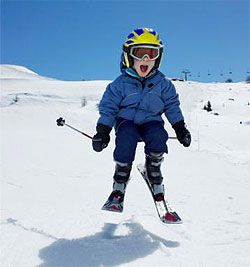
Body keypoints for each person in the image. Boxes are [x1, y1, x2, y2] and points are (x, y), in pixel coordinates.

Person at [92, 27, 191, 213]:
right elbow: (109, 108)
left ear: (158, 58)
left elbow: (171, 106)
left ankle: (153, 167)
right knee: (126, 136)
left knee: (158, 134)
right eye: (140, 53)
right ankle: (121, 176)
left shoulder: (163, 84)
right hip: (126, 121)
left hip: (150, 121)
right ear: (129, 56)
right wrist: (102, 131)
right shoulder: (119, 84)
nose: (146, 59)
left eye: (151, 53)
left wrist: (180, 128)